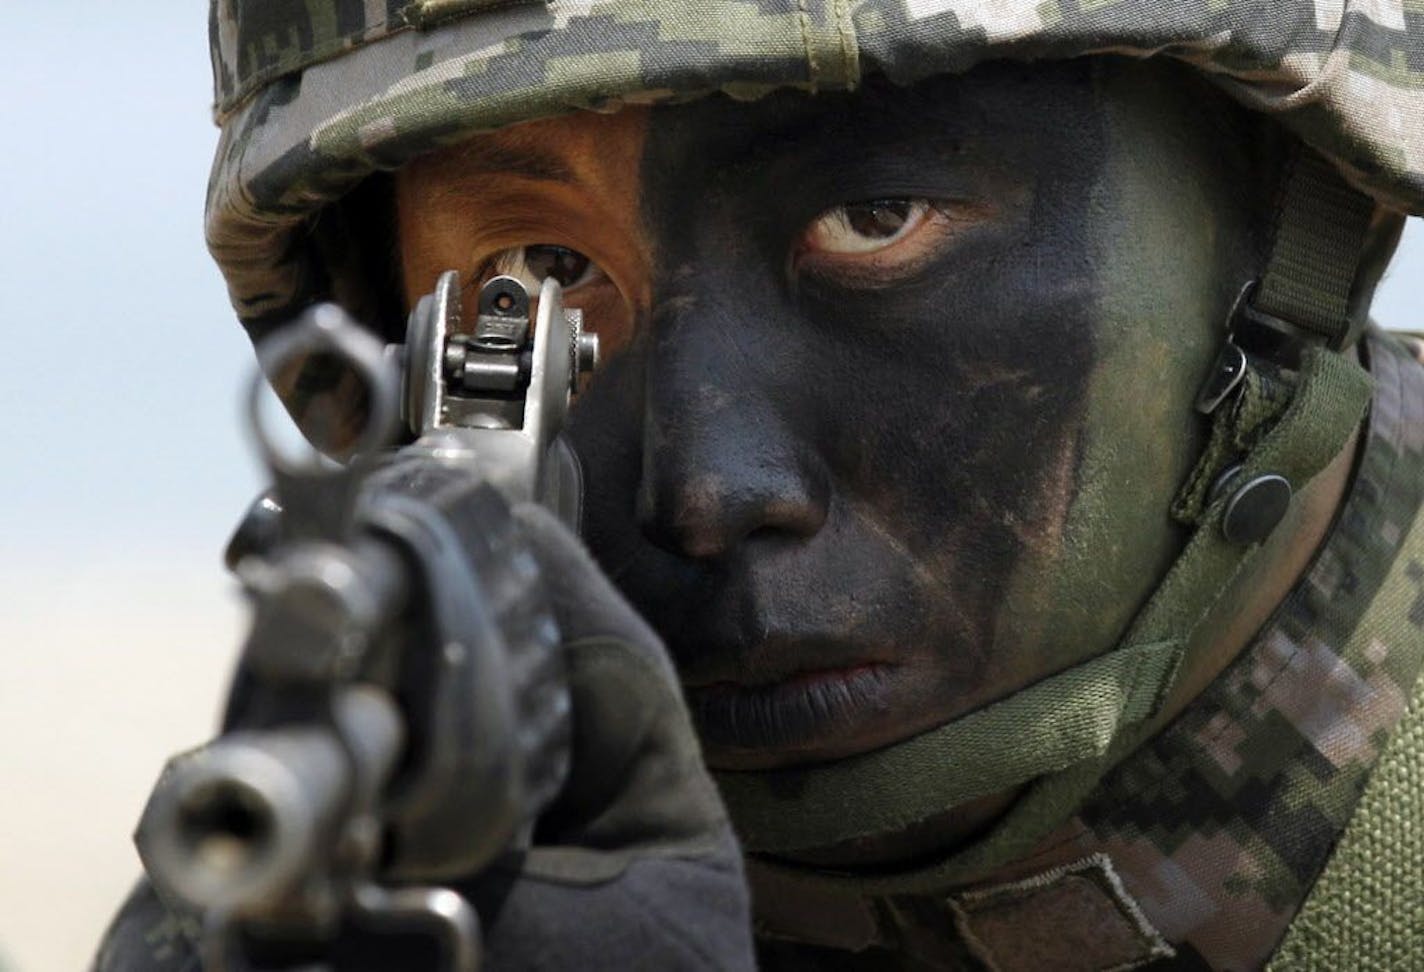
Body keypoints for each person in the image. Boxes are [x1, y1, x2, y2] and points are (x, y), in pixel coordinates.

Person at [98, 2, 1424, 969]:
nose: (707, 493)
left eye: (876, 218)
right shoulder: (393, 867)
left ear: (1300, 225)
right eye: (540, 274)